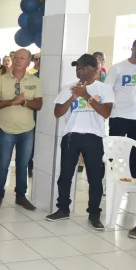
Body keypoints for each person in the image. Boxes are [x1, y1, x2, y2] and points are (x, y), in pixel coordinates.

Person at [46, 54, 114, 231]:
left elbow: (106, 113)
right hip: (71, 135)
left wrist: (87, 96)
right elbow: (58, 113)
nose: (79, 70)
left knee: (94, 178)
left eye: (83, 67)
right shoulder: (68, 88)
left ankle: (93, 214)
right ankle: (62, 209)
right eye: (77, 67)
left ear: (94, 69)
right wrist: (72, 98)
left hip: (93, 136)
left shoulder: (104, 88)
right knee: (66, 175)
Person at [0, 49, 42, 211]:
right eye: (16, 57)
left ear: (29, 62)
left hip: (27, 130)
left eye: (22, 58)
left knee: (23, 164)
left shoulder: (35, 81)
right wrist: (11, 102)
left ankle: (21, 196)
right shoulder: (1, 80)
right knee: (3, 164)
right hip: (6, 129)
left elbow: (39, 104)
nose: (18, 60)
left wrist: (24, 102)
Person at [104, 40, 136, 238]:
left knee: (134, 160)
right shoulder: (118, 68)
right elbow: (108, 92)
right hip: (119, 117)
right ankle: (111, 186)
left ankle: (131, 186)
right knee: (115, 157)